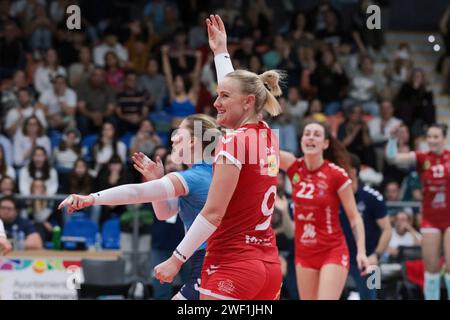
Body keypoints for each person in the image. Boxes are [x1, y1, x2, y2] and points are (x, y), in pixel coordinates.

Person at [209, 14, 369, 300]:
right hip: (302, 249)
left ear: (325, 143)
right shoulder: (290, 164)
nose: (309, 138)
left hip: (332, 248)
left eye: (316, 135)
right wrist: (220, 54)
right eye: (306, 134)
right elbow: (246, 112)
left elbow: (355, 218)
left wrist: (363, 251)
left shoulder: (335, 174)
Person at [151, 14, 283, 300]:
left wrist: (177, 259)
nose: (215, 103)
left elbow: (212, 213)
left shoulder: (233, 143)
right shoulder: (268, 135)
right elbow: (244, 92)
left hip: (232, 265)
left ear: (247, 102)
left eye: (223, 97)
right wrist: (220, 52)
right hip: (268, 266)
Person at [59, 114, 221, 300]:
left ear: (192, 141)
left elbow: (136, 192)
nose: (172, 138)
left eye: (179, 133)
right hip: (210, 260)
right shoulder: (213, 171)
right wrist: (157, 183)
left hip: (212, 260)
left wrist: (91, 198)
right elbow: (164, 213)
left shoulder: (194, 176)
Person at [386, 123, 450, 300]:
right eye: (429, 136)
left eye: (436, 137)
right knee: (431, 269)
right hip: (430, 218)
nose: (432, 140)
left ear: (444, 138)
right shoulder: (422, 157)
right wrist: (392, 138)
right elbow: (392, 158)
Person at [340, 154, 392, 300]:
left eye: (344, 167)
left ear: (354, 171)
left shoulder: (372, 196)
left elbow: (387, 230)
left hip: (369, 259)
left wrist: (376, 255)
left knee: (372, 296)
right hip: (340, 258)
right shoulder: (335, 196)